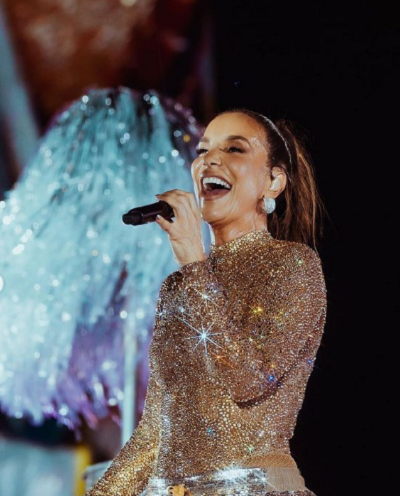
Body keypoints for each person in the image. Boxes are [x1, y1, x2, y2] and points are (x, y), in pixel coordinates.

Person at [85, 109, 327, 496]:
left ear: (273, 182)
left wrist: (193, 261)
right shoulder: (177, 288)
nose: (210, 159)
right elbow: (153, 435)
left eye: (234, 149)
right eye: (202, 150)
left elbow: (247, 379)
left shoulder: (293, 265)